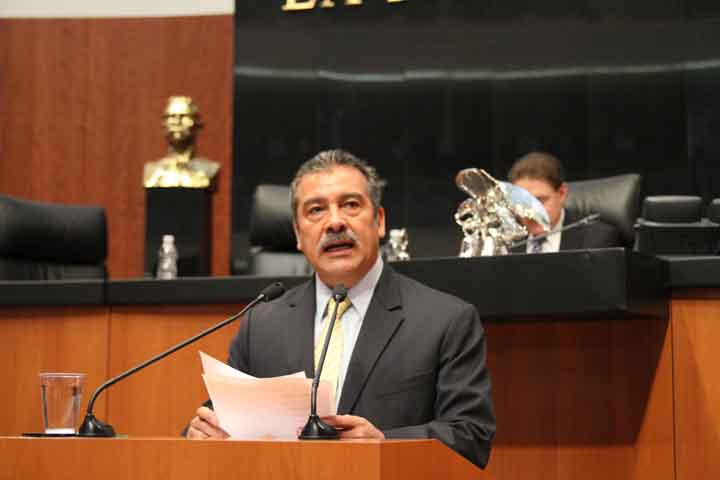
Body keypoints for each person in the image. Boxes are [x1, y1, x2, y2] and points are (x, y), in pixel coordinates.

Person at [186, 149, 495, 468]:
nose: (335, 222)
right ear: (298, 234)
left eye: (350, 205)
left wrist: (385, 444)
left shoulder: (445, 320)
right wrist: (202, 434)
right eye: (316, 210)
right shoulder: (262, 324)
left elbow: (471, 437)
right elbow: (217, 421)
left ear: (379, 221)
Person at [508, 151, 623, 253]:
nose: (530, 213)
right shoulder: (507, 241)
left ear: (562, 193)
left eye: (540, 201)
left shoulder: (597, 240)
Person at [143, 96, 220, 189]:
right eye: (172, 116)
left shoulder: (209, 169)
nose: (177, 122)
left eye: (184, 116)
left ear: (197, 124)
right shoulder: (152, 171)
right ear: (164, 124)